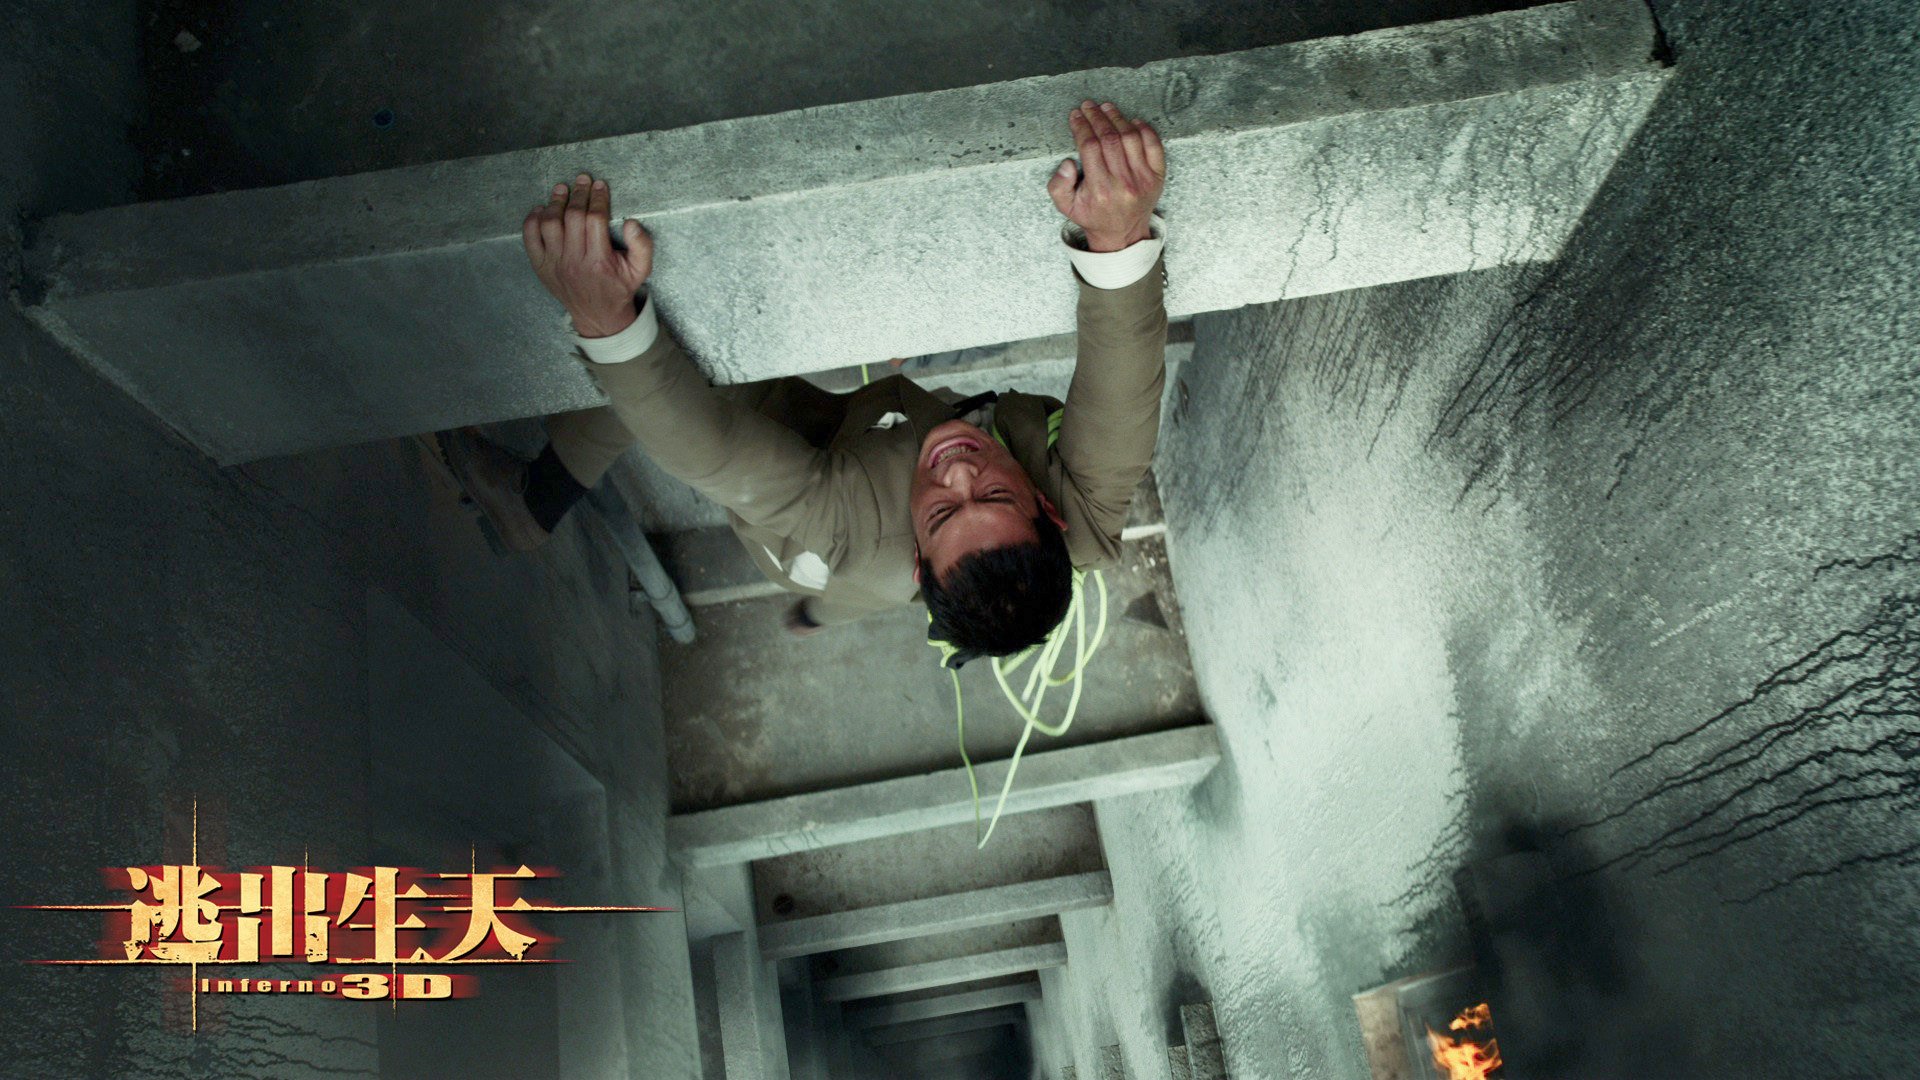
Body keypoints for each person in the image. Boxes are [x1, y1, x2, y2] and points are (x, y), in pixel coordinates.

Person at [441, 101, 1168, 665]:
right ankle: (814, 615)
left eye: (944, 512)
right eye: (996, 496)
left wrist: (605, 319)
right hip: (868, 532)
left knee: (691, 380)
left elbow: (709, 450)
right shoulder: (1085, 515)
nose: (957, 474)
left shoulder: (850, 525)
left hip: (808, 513)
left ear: (921, 555)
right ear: (1050, 513)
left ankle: (534, 503)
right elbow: (1124, 386)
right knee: (846, 593)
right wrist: (1118, 234)